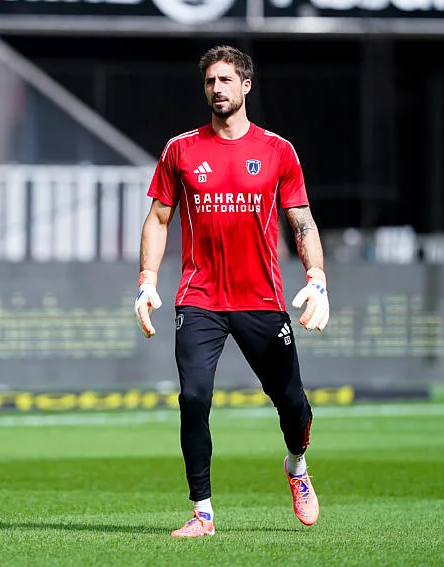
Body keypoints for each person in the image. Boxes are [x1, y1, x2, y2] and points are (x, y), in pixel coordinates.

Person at [134, 45, 329, 538]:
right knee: (194, 398)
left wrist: (317, 279)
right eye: (209, 81)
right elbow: (158, 219)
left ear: (246, 86)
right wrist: (146, 282)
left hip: (261, 299)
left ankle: (297, 467)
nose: (216, 89)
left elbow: (301, 221)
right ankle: (202, 512)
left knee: (294, 407)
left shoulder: (277, 151)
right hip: (198, 299)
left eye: (225, 80)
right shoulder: (181, 150)